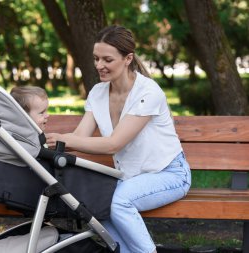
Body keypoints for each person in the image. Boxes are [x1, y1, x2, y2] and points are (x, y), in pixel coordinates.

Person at [46, 25, 191, 253]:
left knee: (119, 201)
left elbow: (114, 143)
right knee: (92, 203)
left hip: (169, 174)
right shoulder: (98, 92)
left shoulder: (147, 92)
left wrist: (64, 139)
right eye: (96, 59)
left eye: (107, 59)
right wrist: (50, 142)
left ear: (127, 59)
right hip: (130, 179)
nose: (99, 66)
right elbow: (80, 136)